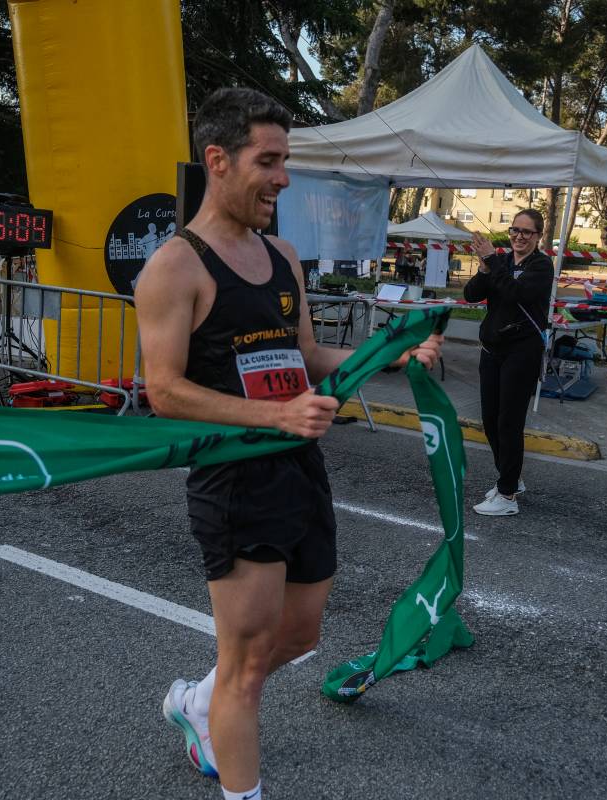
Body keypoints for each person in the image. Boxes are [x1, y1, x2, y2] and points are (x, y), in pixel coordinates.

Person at [134, 87, 441, 800]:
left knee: (299, 637)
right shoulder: (175, 268)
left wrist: (391, 355)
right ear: (218, 160)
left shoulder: (284, 256)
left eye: (285, 160)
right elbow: (165, 390)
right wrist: (272, 418)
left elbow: (304, 356)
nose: (283, 177)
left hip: (299, 470)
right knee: (245, 669)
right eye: (268, 161)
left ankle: (195, 698)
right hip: (234, 479)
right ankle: (236, 770)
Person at [463, 209, 553, 517]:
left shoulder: (541, 265)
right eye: (515, 230)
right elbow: (471, 295)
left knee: (509, 422)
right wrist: (485, 270)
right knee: (490, 419)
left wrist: (494, 262)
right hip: (492, 349)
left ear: (538, 236)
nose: (519, 236)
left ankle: (507, 495)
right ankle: (510, 476)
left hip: (521, 352)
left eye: (527, 232)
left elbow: (516, 293)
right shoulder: (500, 262)